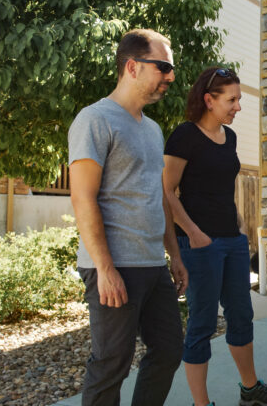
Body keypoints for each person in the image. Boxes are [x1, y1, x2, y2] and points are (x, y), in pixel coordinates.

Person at [68, 28, 188, 406]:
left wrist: (175, 255)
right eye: (163, 67)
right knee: (111, 363)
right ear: (132, 66)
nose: (170, 77)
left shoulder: (152, 130)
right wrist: (104, 268)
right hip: (115, 265)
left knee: (169, 350)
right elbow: (83, 198)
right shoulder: (95, 119)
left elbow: (159, 198)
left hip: (152, 263)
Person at [163, 67, 267, 406]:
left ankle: (250, 390)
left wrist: (239, 228)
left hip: (232, 241)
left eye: (238, 99)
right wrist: (192, 233)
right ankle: (201, 404)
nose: (238, 107)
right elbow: (165, 190)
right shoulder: (184, 136)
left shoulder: (229, 137)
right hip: (200, 245)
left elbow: (222, 189)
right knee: (202, 324)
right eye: (231, 100)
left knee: (241, 316)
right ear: (209, 100)